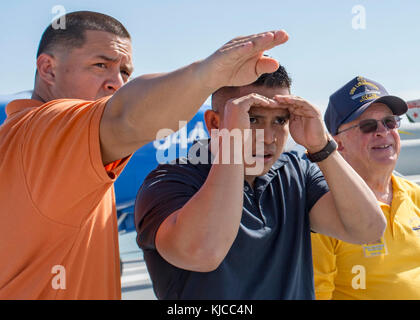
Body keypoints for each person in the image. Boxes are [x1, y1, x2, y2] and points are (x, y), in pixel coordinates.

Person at [0, 10, 291, 299]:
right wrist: (208, 74)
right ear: (48, 69)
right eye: (100, 65)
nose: (117, 83)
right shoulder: (44, 131)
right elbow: (127, 115)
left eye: (125, 72)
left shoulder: (45, 144)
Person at [134, 67, 386, 299]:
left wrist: (322, 147)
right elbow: (203, 253)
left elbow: (368, 230)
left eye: (280, 120)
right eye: (251, 119)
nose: (268, 138)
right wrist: (232, 147)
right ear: (214, 123)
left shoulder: (296, 171)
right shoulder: (169, 181)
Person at [311, 76, 420, 300]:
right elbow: (318, 294)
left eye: (389, 122)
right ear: (337, 144)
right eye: (368, 126)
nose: (383, 131)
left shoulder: (414, 195)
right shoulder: (326, 211)